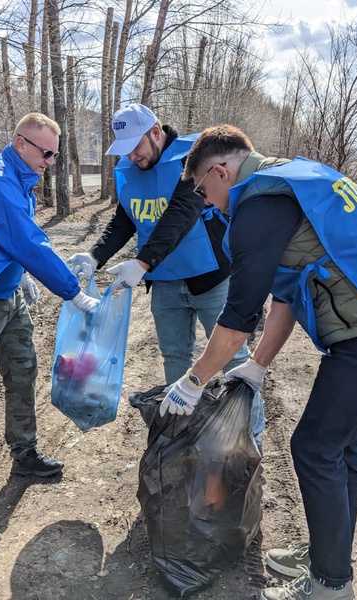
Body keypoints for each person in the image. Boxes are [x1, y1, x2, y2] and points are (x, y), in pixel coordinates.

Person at [159, 125, 357, 600]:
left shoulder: (258, 206)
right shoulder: (285, 180)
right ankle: (330, 552)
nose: (206, 201)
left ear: (221, 171)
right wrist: (258, 365)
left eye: (204, 189)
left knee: (315, 448)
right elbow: (287, 293)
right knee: (338, 446)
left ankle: (331, 585)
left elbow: (238, 315)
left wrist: (193, 379)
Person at [65, 104, 263, 445]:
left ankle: (249, 437)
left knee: (234, 358)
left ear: (156, 133)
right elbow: (124, 219)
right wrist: (95, 255)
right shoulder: (128, 169)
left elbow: (181, 212)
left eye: (136, 146)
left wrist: (141, 264)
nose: (132, 155)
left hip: (212, 277)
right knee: (175, 358)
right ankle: (184, 437)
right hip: (166, 284)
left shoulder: (191, 159)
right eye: (124, 147)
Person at [0, 113, 99, 505]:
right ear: (21, 143)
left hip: (5, 298)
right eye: (46, 153)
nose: (50, 161)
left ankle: (25, 455)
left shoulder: (19, 179)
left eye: (55, 155)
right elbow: (27, 241)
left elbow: (7, 242)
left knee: (23, 373)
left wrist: (18, 274)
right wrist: (72, 291)